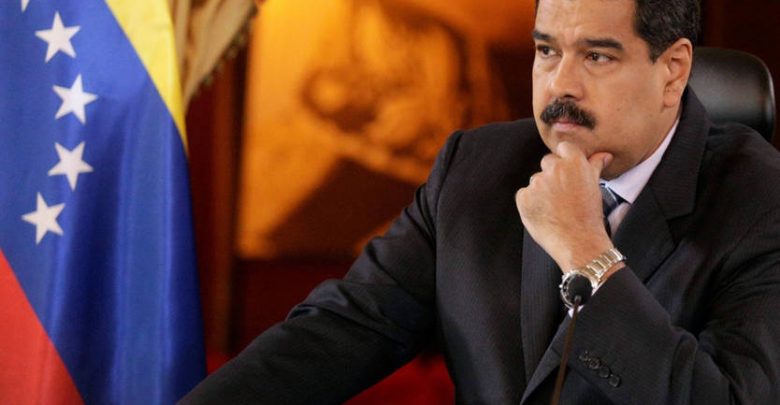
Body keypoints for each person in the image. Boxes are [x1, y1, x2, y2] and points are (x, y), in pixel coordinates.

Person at [182, 0, 780, 403]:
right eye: (547, 51)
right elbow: (343, 328)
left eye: (597, 56)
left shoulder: (762, 202)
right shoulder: (476, 168)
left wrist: (586, 251)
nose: (560, 85)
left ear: (672, 70)